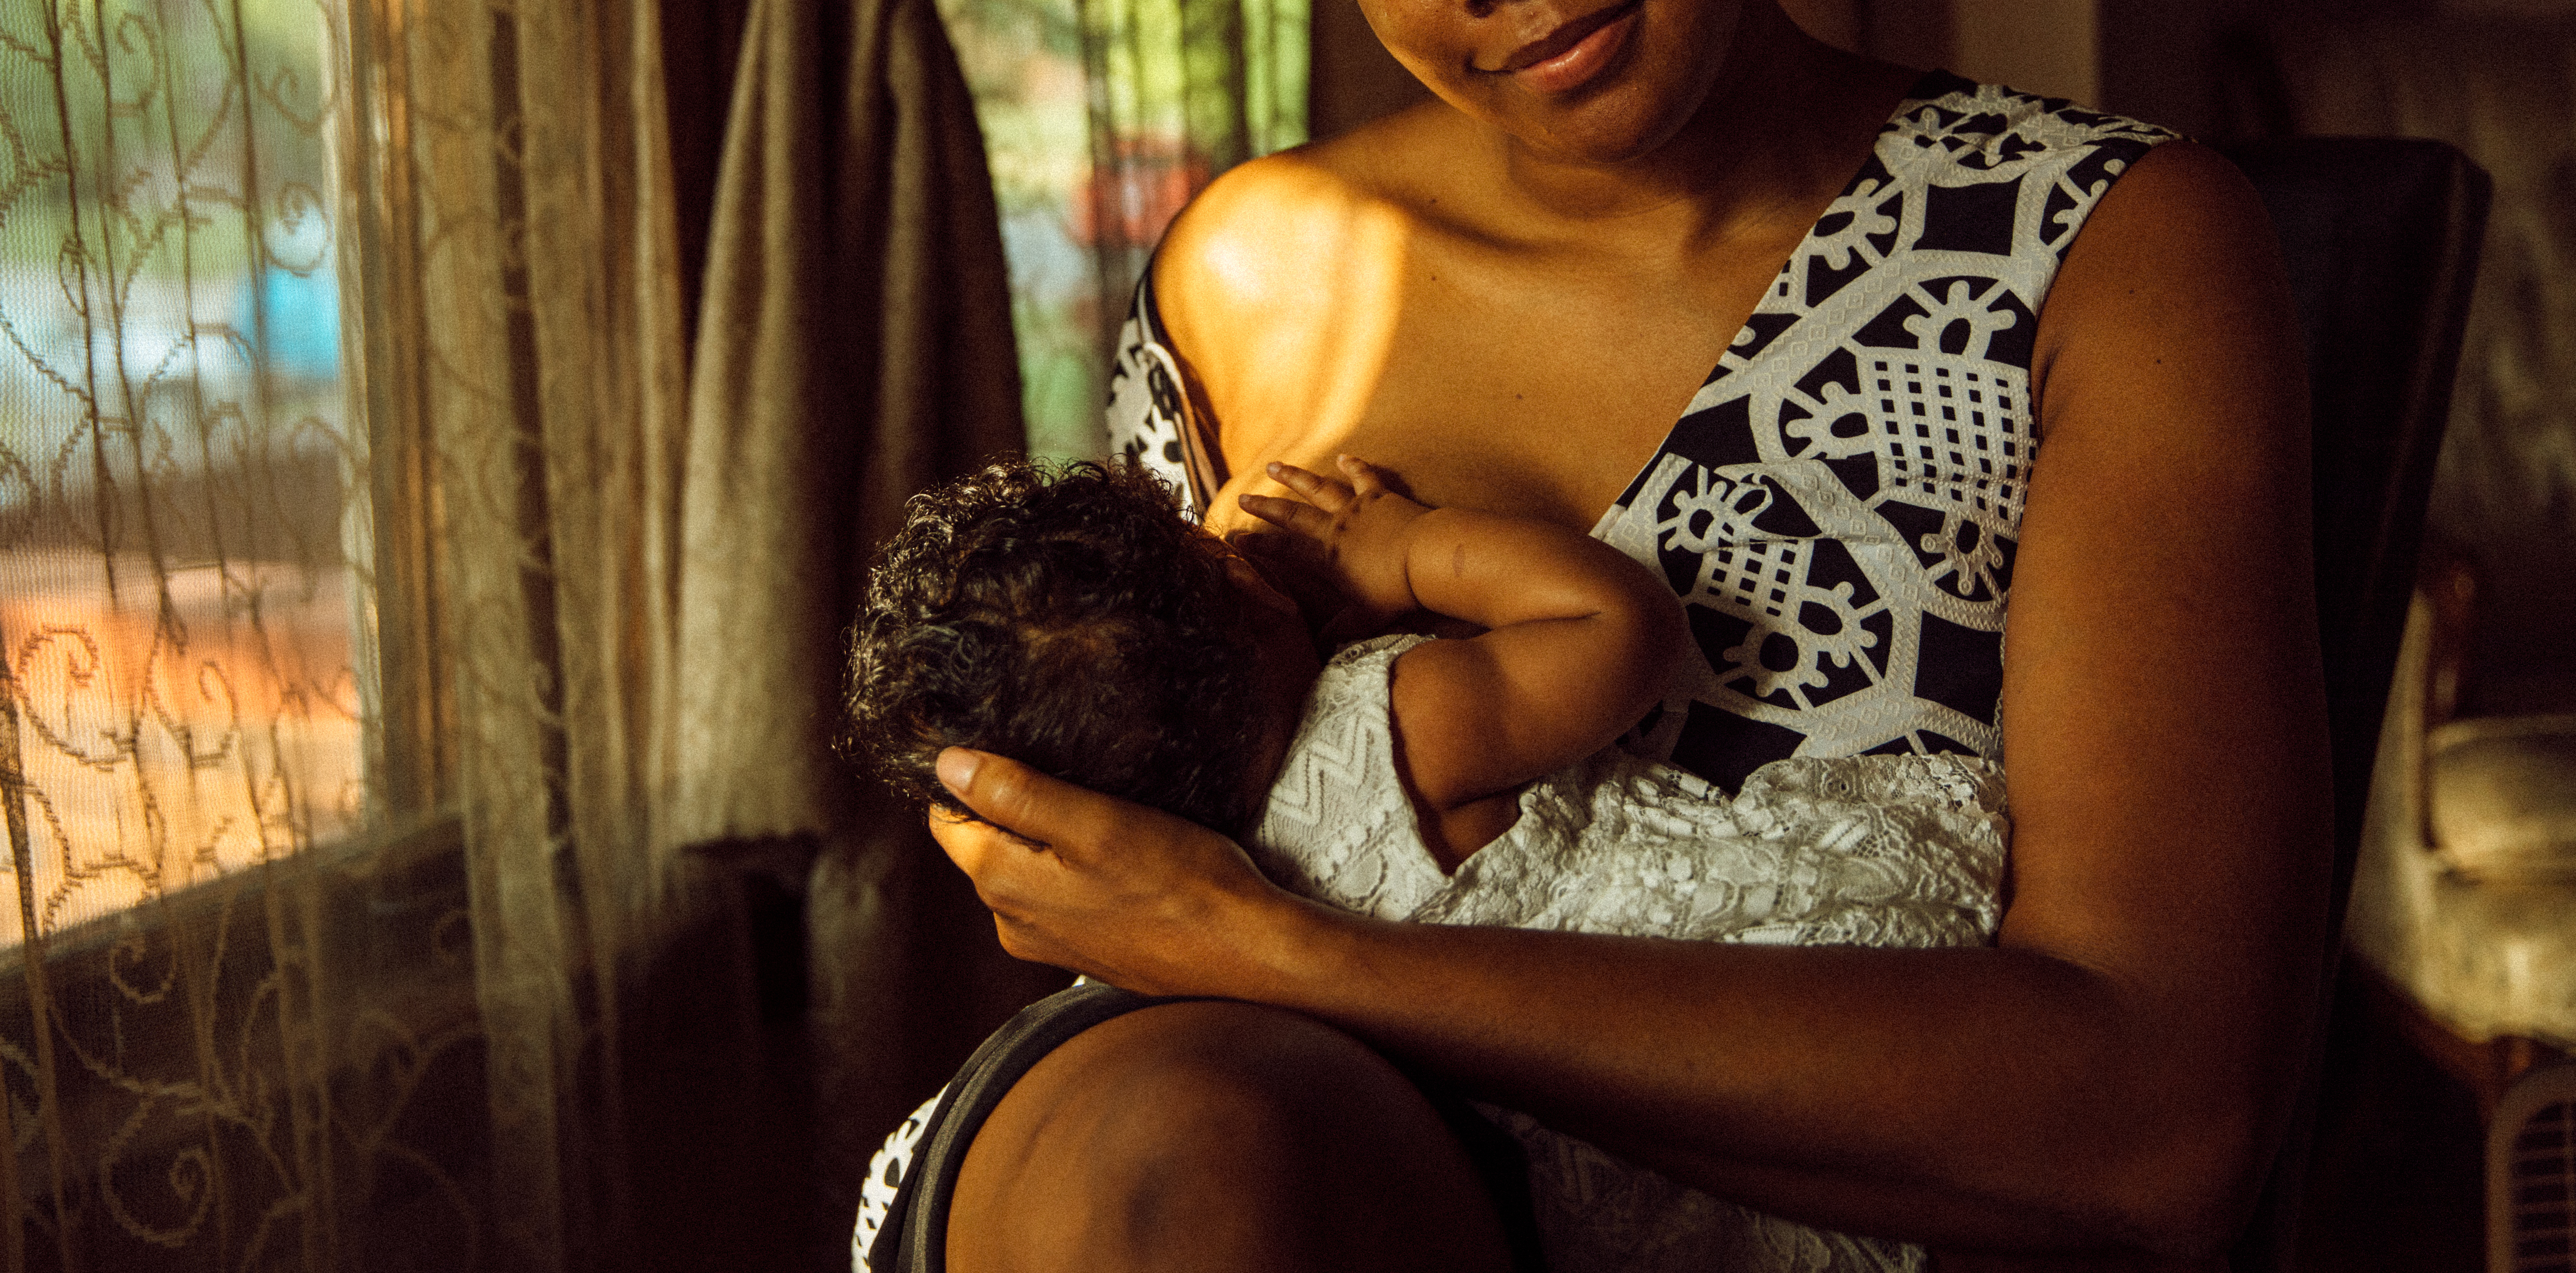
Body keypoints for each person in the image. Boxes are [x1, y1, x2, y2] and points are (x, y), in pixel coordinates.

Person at [902, 0, 2328, 1269]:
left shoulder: (2099, 252)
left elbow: (2157, 1116)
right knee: (1182, 1155)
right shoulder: (1257, 273)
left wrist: (1288, 954)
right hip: (1264, 1186)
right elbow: (1146, 913)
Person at [847, 453, 2012, 1270]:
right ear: (1245, 596)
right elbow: (1618, 631)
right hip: (1775, 1001)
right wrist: (1402, 551)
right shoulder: (1393, 726)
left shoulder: (1170, 889)